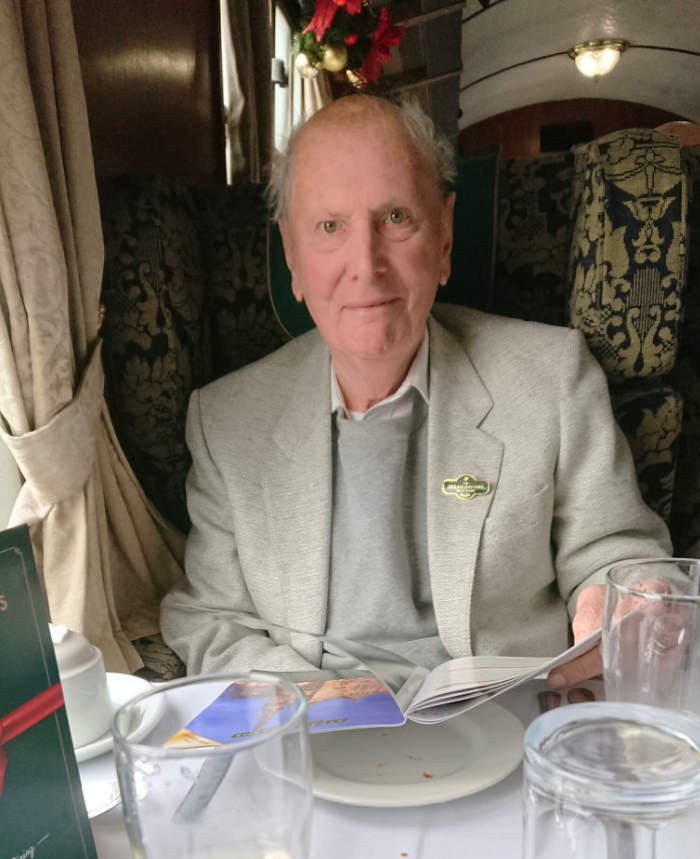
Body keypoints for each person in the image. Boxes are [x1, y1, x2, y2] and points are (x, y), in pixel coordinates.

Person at [161, 95, 671, 687]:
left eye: (396, 218)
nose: (366, 264)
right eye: (330, 226)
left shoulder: (552, 375)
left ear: (445, 234)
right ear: (291, 255)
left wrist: (626, 596)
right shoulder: (224, 420)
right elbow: (211, 616)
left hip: (509, 713)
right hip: (315, 721)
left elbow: (616, 552)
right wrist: (320, 702)